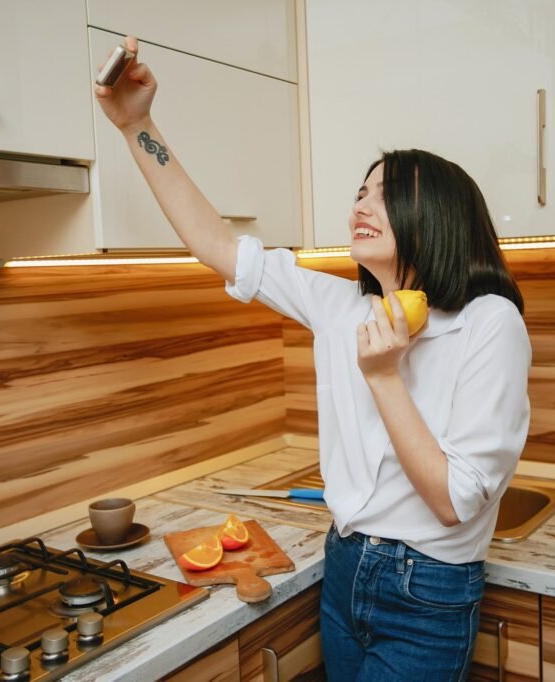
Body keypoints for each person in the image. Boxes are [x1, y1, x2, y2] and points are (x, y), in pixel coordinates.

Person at [95, 36, 531, 682]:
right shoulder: (341, 307)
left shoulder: (489, 323)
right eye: (360, 191)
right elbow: (217, 244)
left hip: (427, 593)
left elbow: (452, 501)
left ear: (435, 212)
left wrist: (382, 377)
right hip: (344, 570)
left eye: (383, 194)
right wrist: (137, 126)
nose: (360, 204)